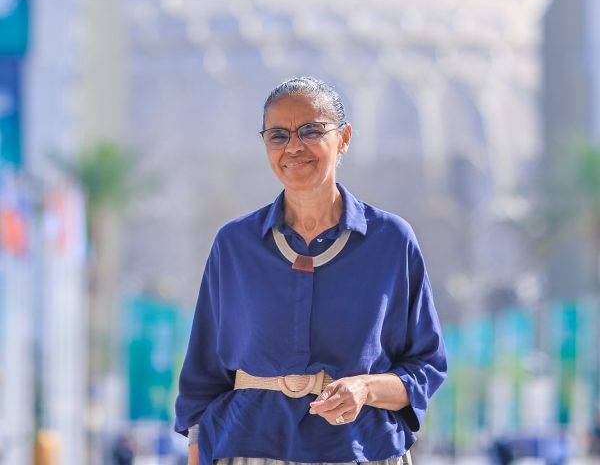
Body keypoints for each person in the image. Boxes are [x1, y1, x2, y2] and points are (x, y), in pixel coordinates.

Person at [174, 76, 448, 465]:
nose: (293, 147)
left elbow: (427, 366)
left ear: (344, 138)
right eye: (278, 135)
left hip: (362, 450)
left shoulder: (391, 241)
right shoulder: (234, 245)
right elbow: (203, 376)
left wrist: (365, 389)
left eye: (311, 131)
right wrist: (196, 450)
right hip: (248, 448)